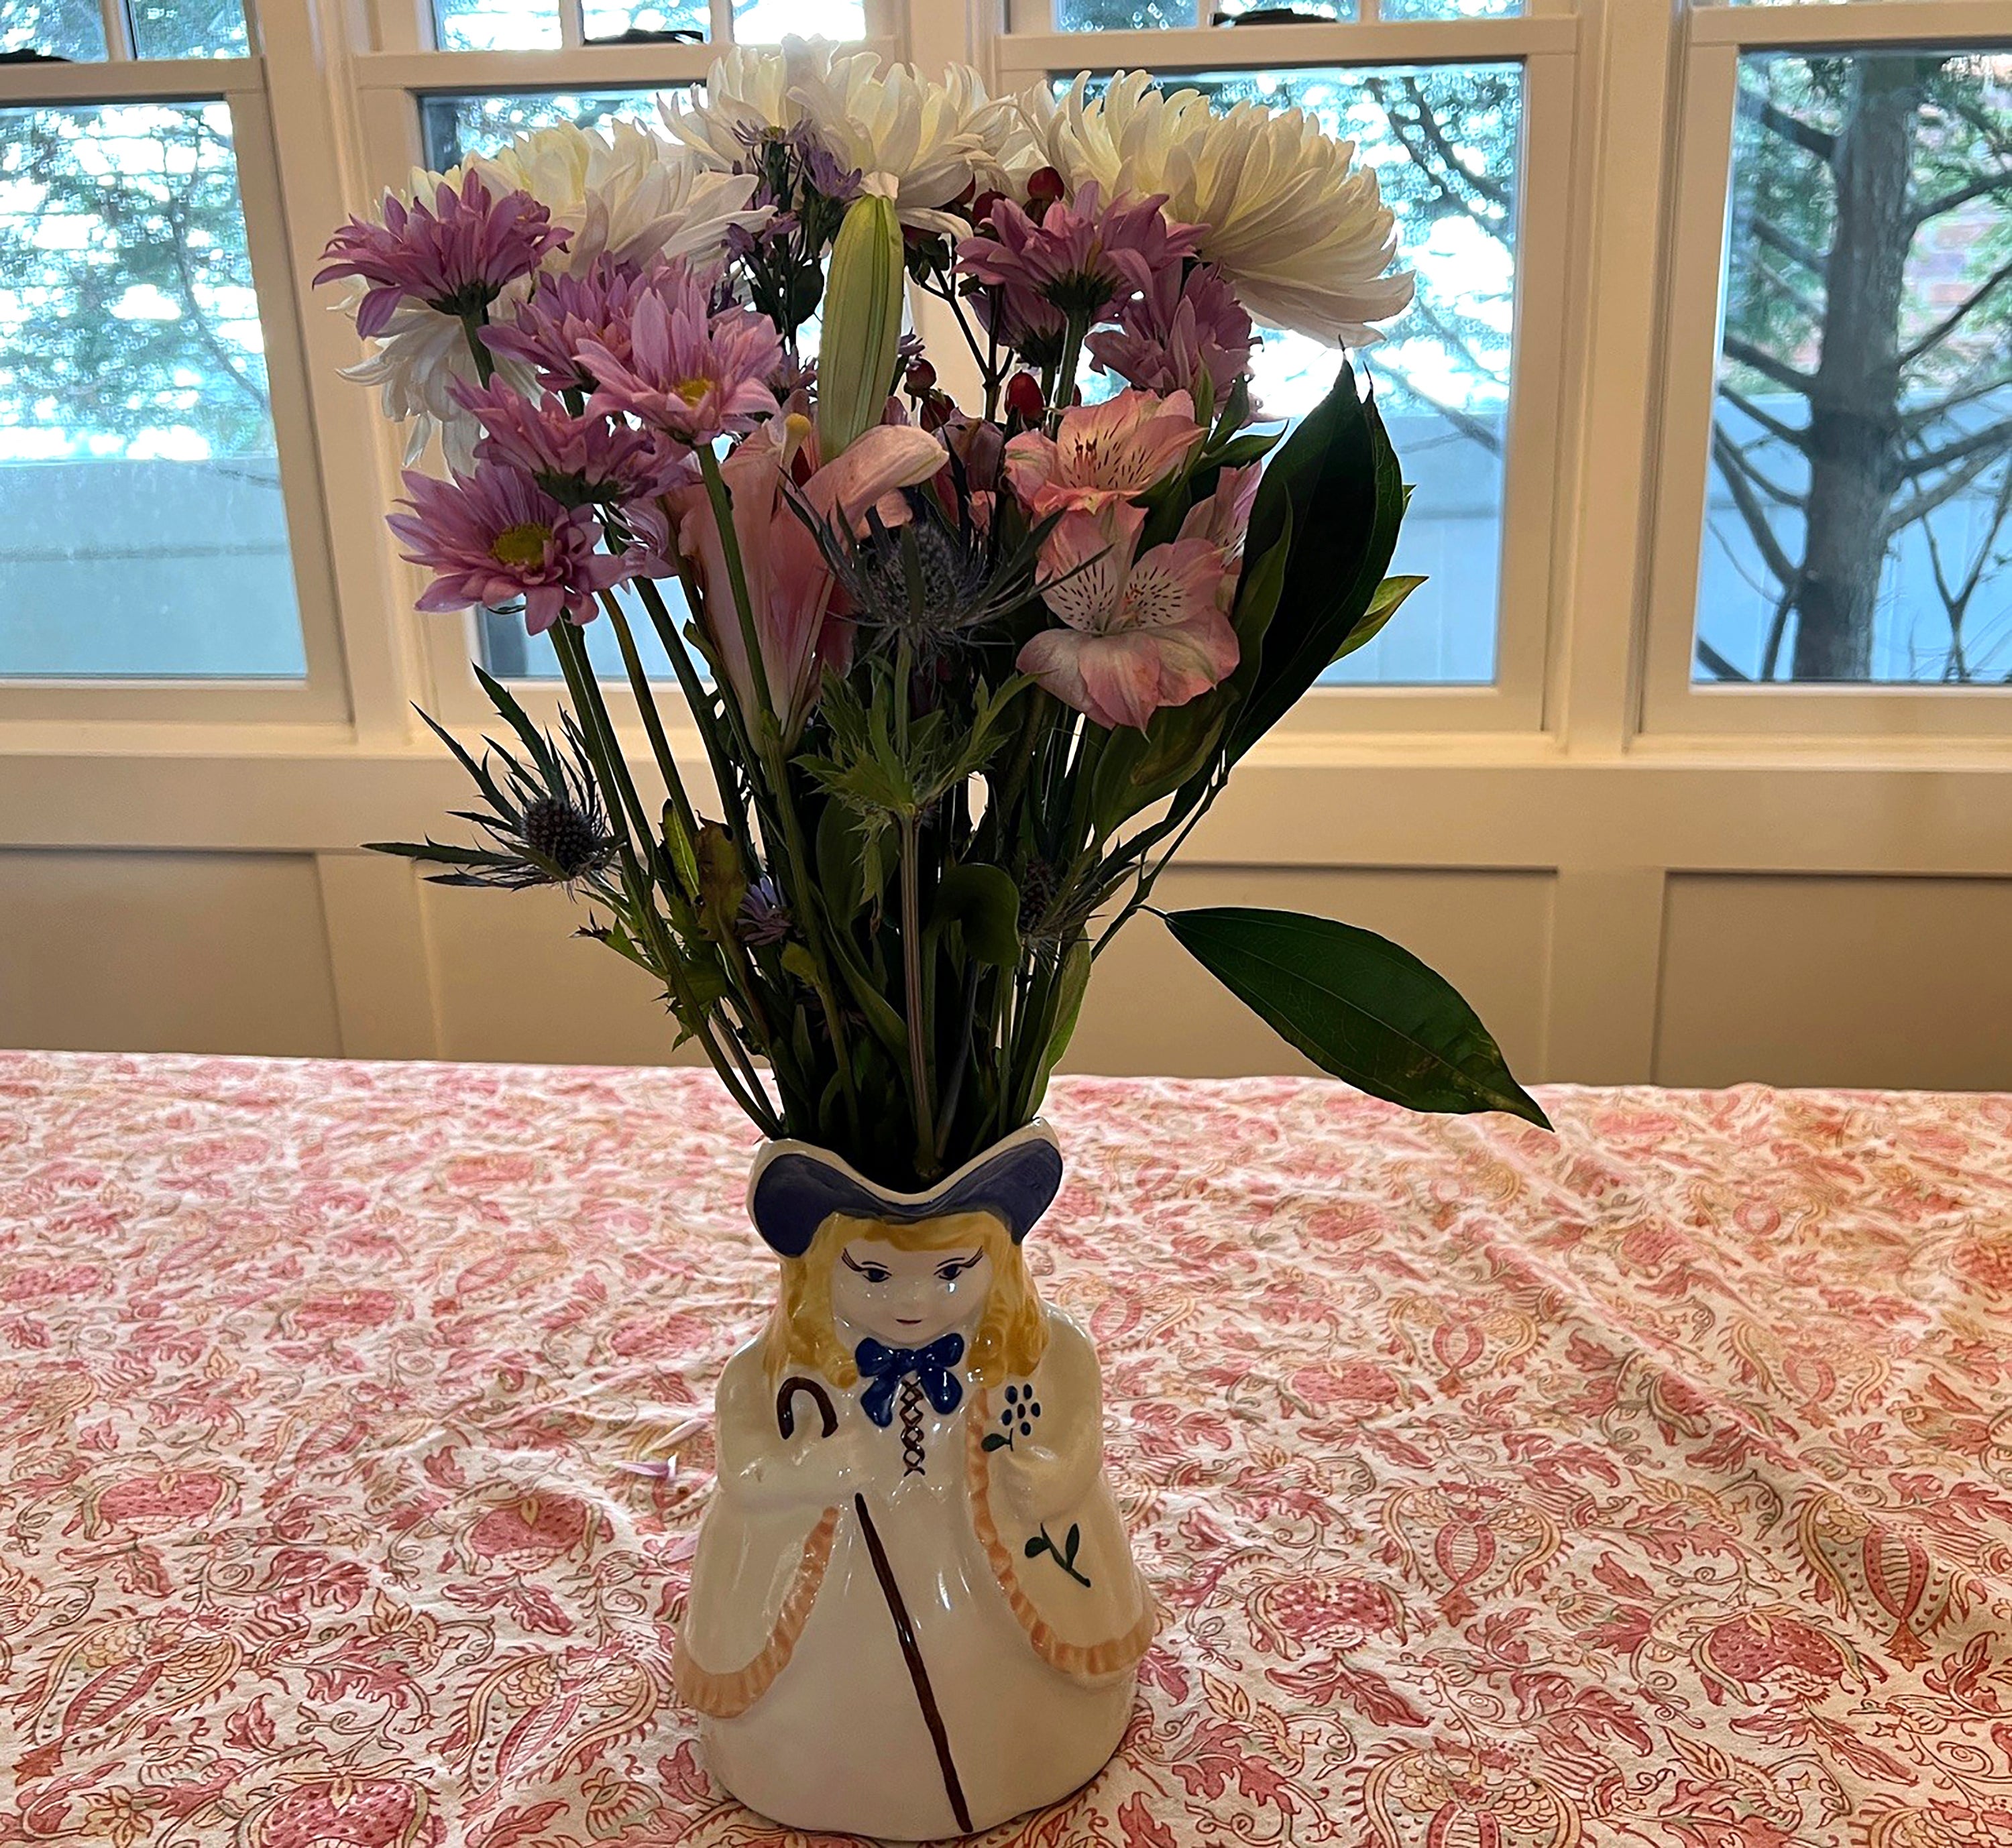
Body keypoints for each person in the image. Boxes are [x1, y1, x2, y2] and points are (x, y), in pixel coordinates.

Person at [675, 1124, 1156, 1839]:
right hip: (834, 1592)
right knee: (835, 1710)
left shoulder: (1044, 1356)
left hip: (993, 1563)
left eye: (953, 1269)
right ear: (817, 1270)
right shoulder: (769, 1375)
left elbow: (1078, 1435)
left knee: (1015, 1698)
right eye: (870, 1274)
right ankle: (817, 1760)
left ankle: (1028, 1743)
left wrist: (1050, 1475)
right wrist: (809, 1470)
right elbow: (746, 1473)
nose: (916, 1300)